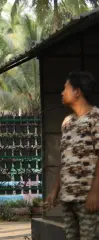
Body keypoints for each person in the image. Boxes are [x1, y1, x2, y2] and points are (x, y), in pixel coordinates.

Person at [44, 71, 99, 240]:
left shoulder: (95, 117)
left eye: (66, 88)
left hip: (87, 198)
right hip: (67, 198)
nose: (62, 92)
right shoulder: (67, 122)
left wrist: (95, 192)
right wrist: (55, 190)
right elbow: (65, 160)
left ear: (77, 91)